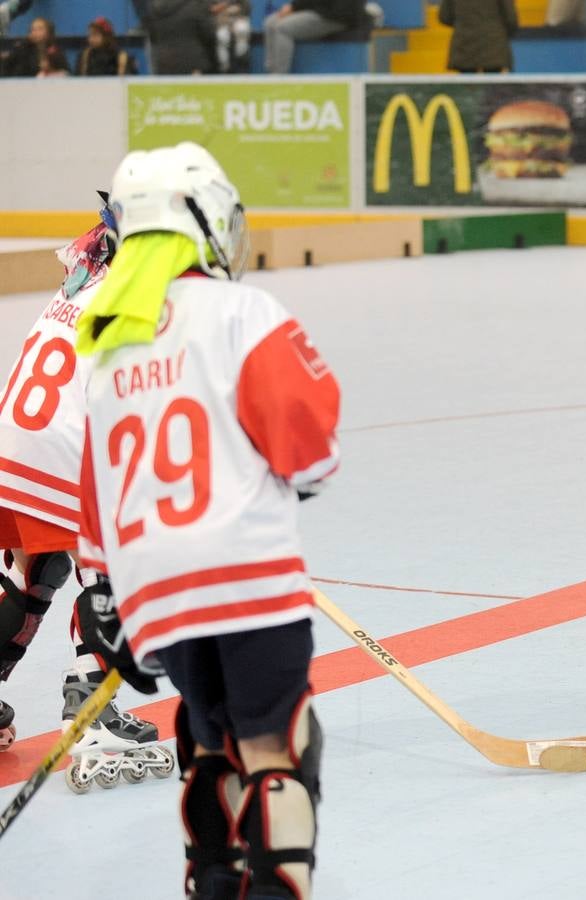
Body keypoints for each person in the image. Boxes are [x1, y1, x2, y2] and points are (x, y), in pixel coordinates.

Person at [73, 142, 341, 897]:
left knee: (207, 745)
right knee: (275, 751)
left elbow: (96, 486)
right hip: (249, 579)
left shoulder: (106, 340)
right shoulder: (242, 311)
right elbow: (307, 436)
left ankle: (215, 884)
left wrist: (103, 598)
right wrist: (305, 476)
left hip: (156, 596)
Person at [0, 200, 173, 793]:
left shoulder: (87, 274)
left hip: (12, 444)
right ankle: (91, 711)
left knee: (38, 567)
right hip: (65, 447)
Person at [264, 0, 365, 74]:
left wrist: (294, 7)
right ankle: (271, 71)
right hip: (320, 9)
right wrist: (293, 7)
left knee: (282, 28)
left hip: (338, 16)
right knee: (270, 22)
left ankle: (279, 77)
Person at [439, 0, 517, 73]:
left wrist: (462, 25)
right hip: (493, 43)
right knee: (492, 81)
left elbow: (445, 17)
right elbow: (511, 18)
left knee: (468, 82)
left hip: (465, 41)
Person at [144, 0, 218, 74]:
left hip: (163, 63)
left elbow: (152, 34)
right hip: (193, 63)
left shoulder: (154, 8)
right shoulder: (195, 5)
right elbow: (208, 33)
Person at [0, 15, 69, 76]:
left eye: (40, 29)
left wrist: (51, 70)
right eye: (33, 29)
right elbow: (9, 68)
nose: (35, 32)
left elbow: (67, 73)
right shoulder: (23, 48)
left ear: (49, 32)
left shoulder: (55, 50)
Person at [212, 1, 251, 73]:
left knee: (242, 28)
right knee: (222, 35)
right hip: (222, 25)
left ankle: (241, 55)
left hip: (238, 23)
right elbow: (213, 10)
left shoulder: (243, 3)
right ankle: (224, 64)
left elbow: (247, 8)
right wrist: (225, 9)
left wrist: (236, 10)